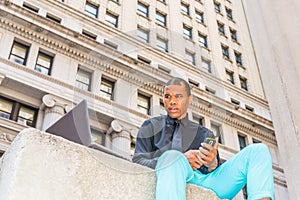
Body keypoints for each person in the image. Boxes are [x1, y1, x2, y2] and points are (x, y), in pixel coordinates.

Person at [132, 77, 274, 200]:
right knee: (172, 157)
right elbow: (138, 161)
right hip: (169, 174)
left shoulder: (205, 133)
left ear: (189, 99)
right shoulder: (150, 125)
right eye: (168, 96)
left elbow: (216, 172)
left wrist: (211, 163)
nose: (172, 102)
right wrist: (179, 160)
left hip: (205, 180)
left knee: (258, 150)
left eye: (179, 96)